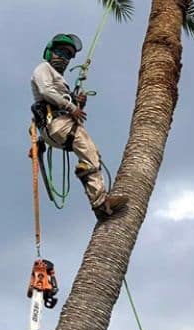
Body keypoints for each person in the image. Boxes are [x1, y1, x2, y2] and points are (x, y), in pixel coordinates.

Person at [30, 33, 128, 219]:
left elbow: (63, 101)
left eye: (68, 55)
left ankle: (93, 186)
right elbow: (45, 91)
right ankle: (100, 202)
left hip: (60, 126)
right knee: (90, 152)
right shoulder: (43, 68)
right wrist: (71, 106)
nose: (64, 58)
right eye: (60, 52)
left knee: (91, 155)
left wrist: (78, 102)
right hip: (57, 125)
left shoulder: (61, 80)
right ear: (50, 52)